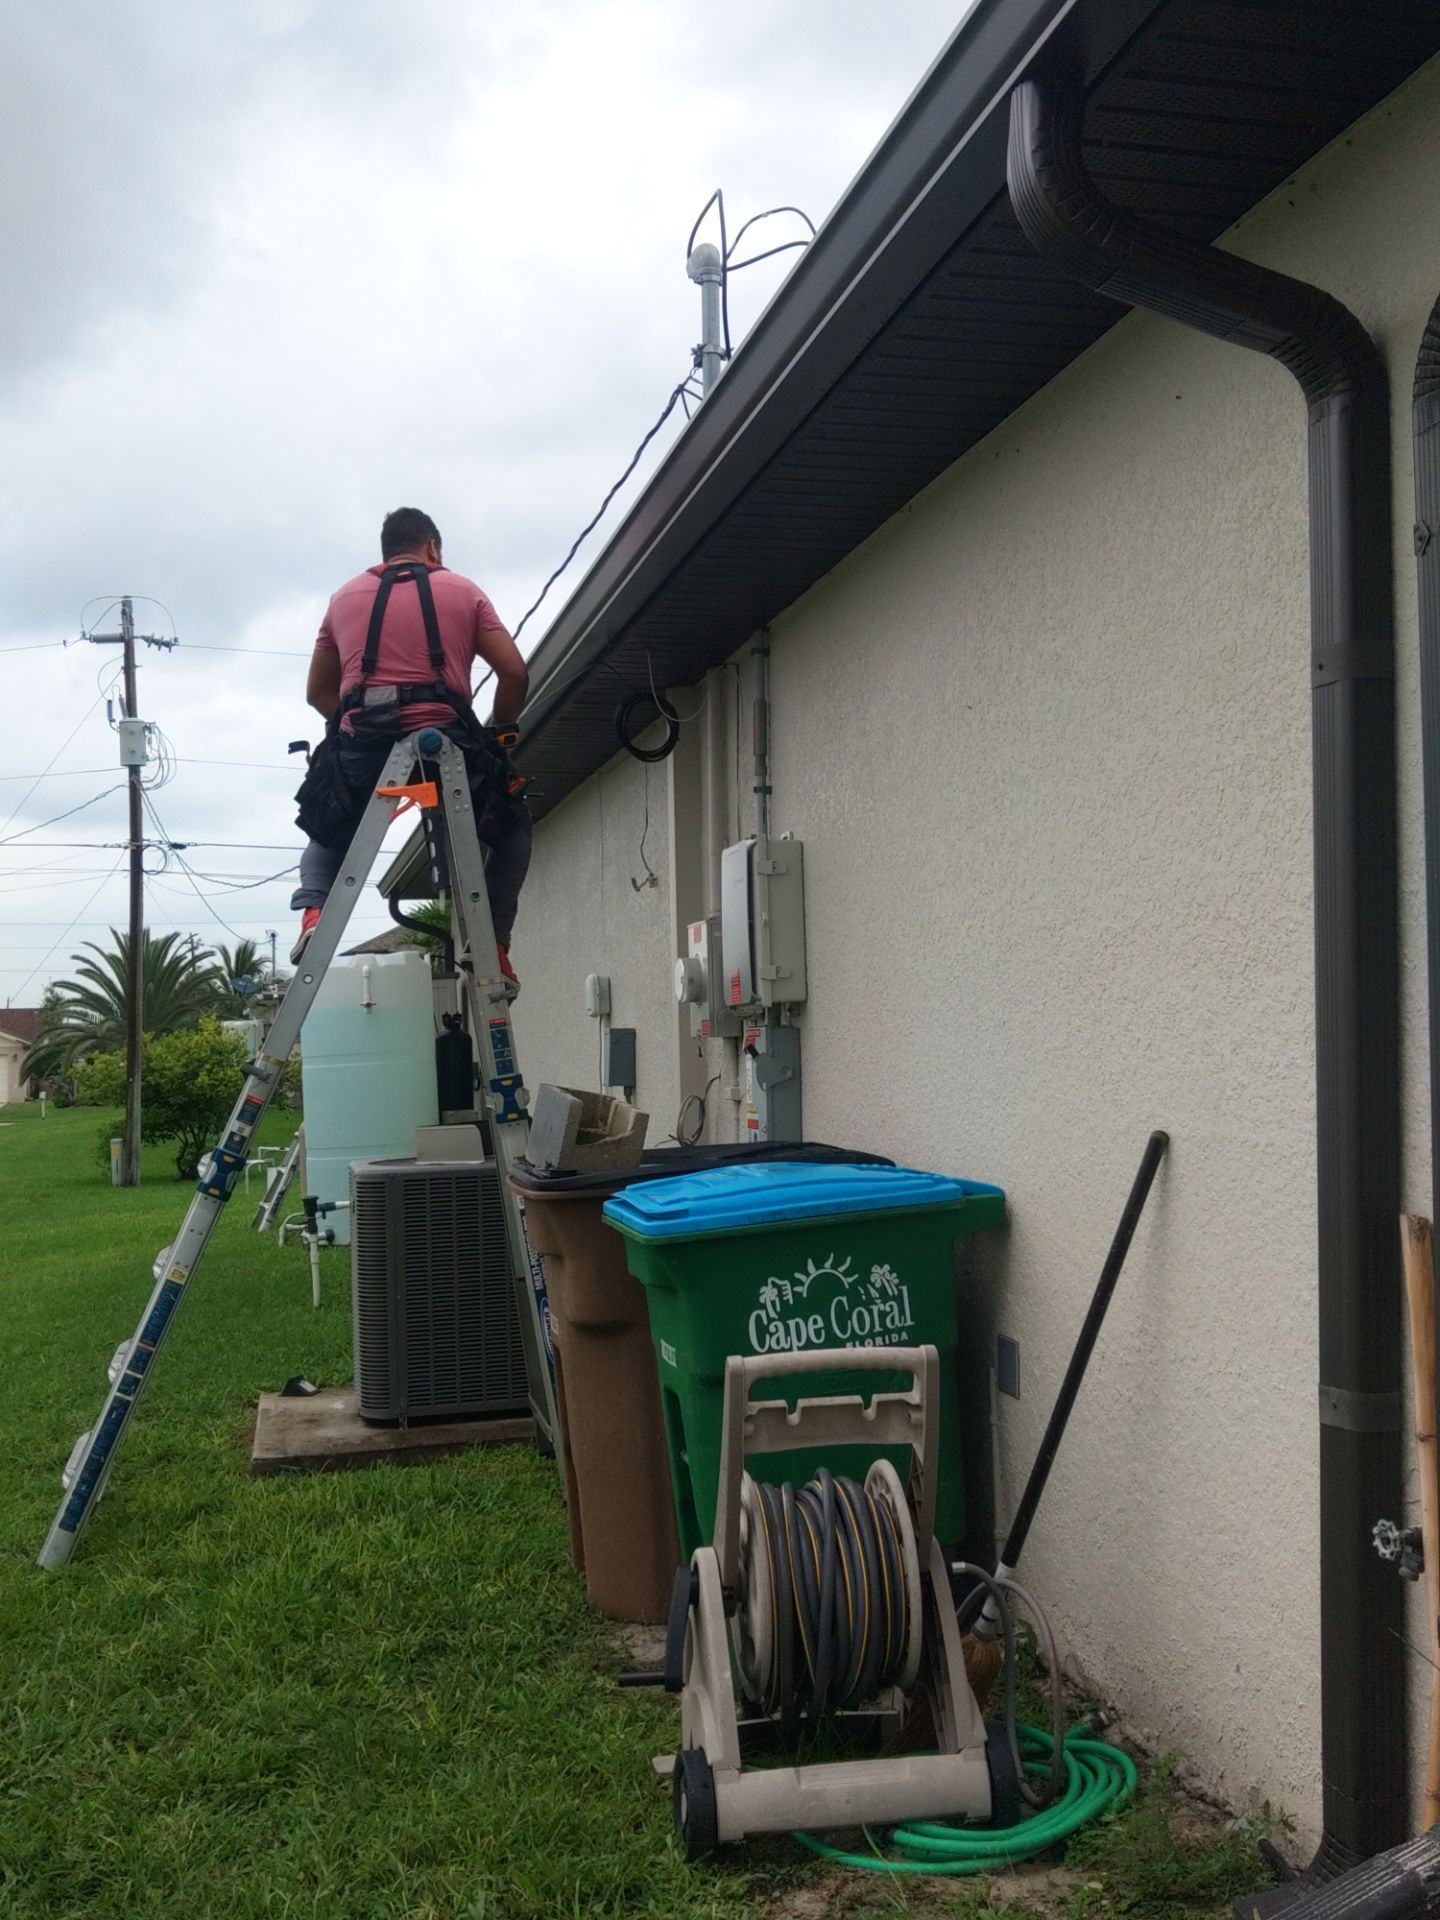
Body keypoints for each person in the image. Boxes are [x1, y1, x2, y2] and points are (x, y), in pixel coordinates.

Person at [290, 508, 531, 981]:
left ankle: (314, 915)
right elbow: (514, 673)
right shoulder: (462, 590)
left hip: (365, 744)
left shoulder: (343, 599)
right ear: (432, 548)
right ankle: (492, 945)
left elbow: (317, 693)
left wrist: (351, 732)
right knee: (513, 828)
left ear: (386, 550)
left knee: (327, 829)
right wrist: (501, 732)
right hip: (447, 744)